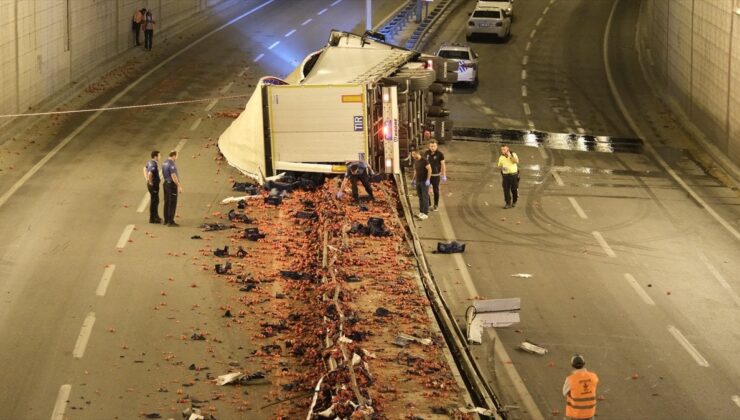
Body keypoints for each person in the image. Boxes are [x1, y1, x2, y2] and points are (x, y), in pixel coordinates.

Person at [562, 354, 599, 420]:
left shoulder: (570, 379)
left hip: (576, 414)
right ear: (584, 363)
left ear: (572, 365)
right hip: (590, 413)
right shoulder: (593, 376)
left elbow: (564, 392)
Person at [424, 140, 446, 211]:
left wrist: (444, 175)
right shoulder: (426, 153)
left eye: (434, 146)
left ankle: (436, 204)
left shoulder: (440, 154)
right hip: (428, 176)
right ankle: (428, 203)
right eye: (431, 146)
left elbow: (443, 165)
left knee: (436, 190)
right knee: (426, 190)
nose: (432, 147)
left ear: (437, 146)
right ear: (429, 146)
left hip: (436, 176)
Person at [162, 151, 183, 227]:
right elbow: (173, 175)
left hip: (165, 184)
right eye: (177, 156)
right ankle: (171, 221)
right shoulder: (171, 164)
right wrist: (179, 185)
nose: (177, 158)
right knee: (172, 203)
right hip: (171, 185)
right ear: (174, 156)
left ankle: (166, 220)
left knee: (167, 202)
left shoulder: (164, 162)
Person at [410, 150, 431, 220]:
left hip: (424, 182)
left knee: (425, 197)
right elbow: (415, 171)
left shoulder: (424, 161)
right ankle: (421, 212)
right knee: (420, 197)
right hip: (418, 181)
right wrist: (413, 180)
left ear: (418, 153)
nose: (413, 156)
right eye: (412, 154)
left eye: (414, 154)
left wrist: (428, 179)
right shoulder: (415, 161)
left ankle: (425, 213)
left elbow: (430, 170)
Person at [497, 144, 519, 209]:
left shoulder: (513, 154)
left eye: (504, 149)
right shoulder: (501, 157)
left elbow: (516, 161)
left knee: (514, 189)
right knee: (506, 190)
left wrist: (510, 156)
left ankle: (514, 201)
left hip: (514, 175)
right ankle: (508, 203)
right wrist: (503, 171)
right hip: (506, 176)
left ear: (507, 149)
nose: (503, 151)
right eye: (502, 149)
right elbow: (500, 165)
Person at [143, 150, 162, 224]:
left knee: (156, 201)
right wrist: (150, 181)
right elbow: (150, 173)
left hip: (152, 185)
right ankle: (152, 219)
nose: (160, 157)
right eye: (159, 155)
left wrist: (146, 179)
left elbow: (144, 168)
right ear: (155, 156)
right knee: (154, 202)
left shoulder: (150, 162)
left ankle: (156, 216)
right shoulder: (154, 165)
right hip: (154, 186)